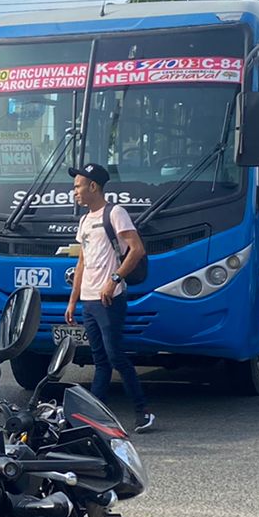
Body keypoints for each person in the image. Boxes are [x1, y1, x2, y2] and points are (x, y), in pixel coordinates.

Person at [63, 163, 154, 433]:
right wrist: (73, 300)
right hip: (90, 301)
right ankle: (93, 418)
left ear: (93, 186)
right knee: (100, 360)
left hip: (110, 298)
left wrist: (113, 280)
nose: (74, 192)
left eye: (78, 186)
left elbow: (136, 249)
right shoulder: (85, 220)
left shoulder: (115, 213)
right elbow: (82, 262)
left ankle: (143, 411)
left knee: (115, 356)